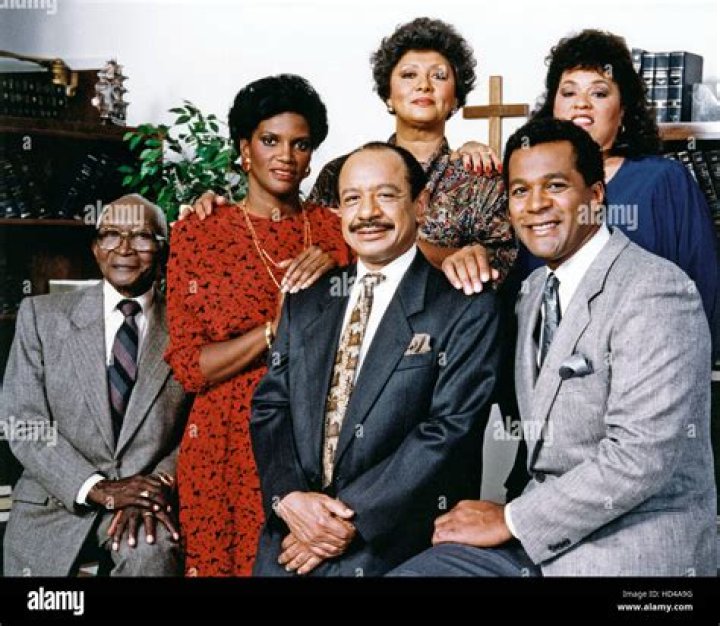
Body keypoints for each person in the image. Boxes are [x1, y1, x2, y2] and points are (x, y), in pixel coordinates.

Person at [389, 118, 716, 577]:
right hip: (542, 546)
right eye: (520, 191)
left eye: (556, 186)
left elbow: (638, 458)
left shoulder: (656, 290)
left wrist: (509, 519)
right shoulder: (532, 290)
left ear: (596, 196)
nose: (536, 204)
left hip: (632, 549)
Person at [250, 142, 501, 577]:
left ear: (421, 204)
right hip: (290, 541)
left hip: (395, 549)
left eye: (385, 195)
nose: (367, 212)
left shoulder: (465, 306)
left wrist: (342, 521)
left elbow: (448, 431)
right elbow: (271, 406)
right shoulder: (307, 300)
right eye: (352, 198)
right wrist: (289, 498)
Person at [164, 74, 351, 577]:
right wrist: (274, 330)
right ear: (244, 149)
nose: (286, 156)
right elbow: (190, 368)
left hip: (308, 436)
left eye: (300, 144)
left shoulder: (337, 231)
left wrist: (336, 260)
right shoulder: (198, 231)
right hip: (222, 441)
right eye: (270, 140)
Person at [186, 17, 516, 284]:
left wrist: (397, 244)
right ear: (388, 94)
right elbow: (297, 235)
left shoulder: (480, 178)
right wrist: (221, 211)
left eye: (439, 76)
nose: (424, 85)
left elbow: (500, 270)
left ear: (456, 97)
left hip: (449, 332)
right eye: (408, 75)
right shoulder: (340, 173)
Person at [445, 29, 718, 338]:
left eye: (599, 93)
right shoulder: (527, 189)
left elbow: (703, 287)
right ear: (552, 105)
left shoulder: (663, 180)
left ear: (623, 110)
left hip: (645, 352)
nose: (581, 105)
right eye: (568, 93)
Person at [3, 194, 189, 577]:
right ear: (95, 247)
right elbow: (23, 421)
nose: (124, 248)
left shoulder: (188, 328)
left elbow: (199, 426)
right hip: (55, 499)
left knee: (151, 555)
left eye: (141, 236)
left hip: (143, 503)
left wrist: (155, 484)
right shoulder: (42, 317)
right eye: (111, 235)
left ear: (164, 249)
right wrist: (96, 488)